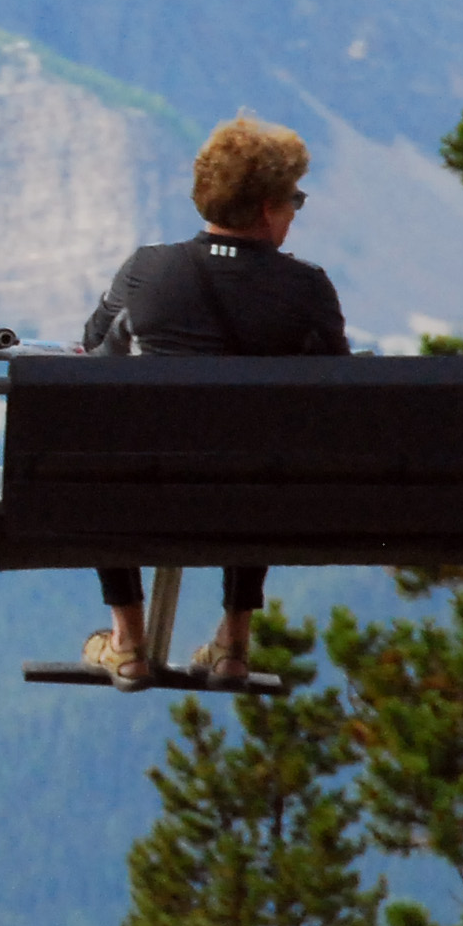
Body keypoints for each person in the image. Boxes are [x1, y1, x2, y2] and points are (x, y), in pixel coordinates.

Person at [74, 114, 347, 689]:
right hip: (260, 503)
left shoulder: (147, 269)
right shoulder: (308, 288)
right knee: (264, 447)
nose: (294, 213)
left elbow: (93, 345)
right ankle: (234, 641)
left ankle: (127, 642)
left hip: (144, 495)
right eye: (294, 200)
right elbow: (336, 394)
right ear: (269, 208)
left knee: (100, 434)